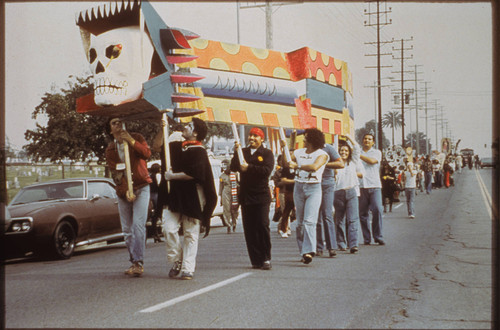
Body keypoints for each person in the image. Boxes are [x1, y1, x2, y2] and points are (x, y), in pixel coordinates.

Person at [161, 118, 217, 280]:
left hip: (193, 196)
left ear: (195, 133)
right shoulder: (178, 147)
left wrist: (172, 176)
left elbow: (194, 174)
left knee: (190, 233)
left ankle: (187, 268)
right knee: (168, 228)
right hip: (176, 196)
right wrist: (162, 127)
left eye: (189, 126)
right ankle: (177, 259)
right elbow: (158, 147)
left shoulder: (199, 151)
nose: (184, 127)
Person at [105, 117, 152, 277]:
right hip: (124, 191)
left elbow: (146, 154)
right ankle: (133, 260)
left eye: (120, 121)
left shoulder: (137, 137)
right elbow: (116, 173)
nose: (118, 124)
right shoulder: (111, 150)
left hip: (142, 187)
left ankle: (139, 262)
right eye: (114, 123)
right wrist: (126, 190)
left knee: (138, 225)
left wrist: (131, 141)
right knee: (127, 230)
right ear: (111, 130)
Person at [230, 127, 274, 270]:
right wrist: (236, 153)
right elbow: (234, 167)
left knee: (262, 225)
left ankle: (266, 257)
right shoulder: (242, 152)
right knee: (249, 229)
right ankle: (256, 260)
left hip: (261, 196)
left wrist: (248, 167)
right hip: (246, 196)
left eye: (256, 136)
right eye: (250, 135)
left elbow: (266, 171)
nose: (252, 138)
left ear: (262, 139)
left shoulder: (267, 153)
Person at [285, 128, 329, 264]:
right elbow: (286, 163)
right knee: (299, 223)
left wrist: (297, 166)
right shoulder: (298, 152)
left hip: (314, 188)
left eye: (306, 137)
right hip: (299, 187)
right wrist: (286, 147)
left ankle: (309, 251)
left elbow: (315, 167)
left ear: (312, 140)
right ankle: (302, 251)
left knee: (309, 221)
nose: (303, 139)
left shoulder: (322, 154)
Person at [334, 135, 364, 254]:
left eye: (346, 150)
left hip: (351, 192)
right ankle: (341, 243)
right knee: (339, 220)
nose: (344, 152)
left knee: (352, 219)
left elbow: (357, 148)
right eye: (341, 150)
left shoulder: (353, 161)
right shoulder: (335, 163)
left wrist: (348, 137)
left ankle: (353, 244)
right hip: (338, 193)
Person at [316, 141, 344, 257]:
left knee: (327, 214)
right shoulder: (307, 149)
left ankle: (331, 247)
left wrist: (323, 164)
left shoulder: (328, 148)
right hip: (313, 183)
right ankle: (318, 247)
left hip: (327, 183)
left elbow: (340, 164)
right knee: (315, 217)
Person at [358, 133, 385, 245]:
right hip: (361, 186)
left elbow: (372, 161)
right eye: (365, 138)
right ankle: (367, 238)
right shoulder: (358, 151)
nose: (367, 141)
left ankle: (378, 236)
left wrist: (358, 155)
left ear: (373, 142)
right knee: (363, 214)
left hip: (374, 185)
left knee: (377, 210)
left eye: (369, 139)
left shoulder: (377, 152)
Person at [272, 154, 295, 238]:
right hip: (282, 192)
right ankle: (286, 228)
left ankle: (281, 226)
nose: (282, 162)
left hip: (292, 191)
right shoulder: (278, 172)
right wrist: (284, 182)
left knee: (290, 211)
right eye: (281, 160)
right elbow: (277, 183)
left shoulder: (293, 169)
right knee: (285, 210)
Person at [219, 159, 239, 233]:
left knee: (234, 209)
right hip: (225, 192)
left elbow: (239, 184)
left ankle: (234, 223)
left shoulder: (235, 174)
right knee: (226, 209)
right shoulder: (221, 176)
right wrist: (221, 198)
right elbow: (221, 188)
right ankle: (228, 225)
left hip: (234, 192)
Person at [149, 163, 163, 242]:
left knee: (154, 217)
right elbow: (159, 185)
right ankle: (158, 233)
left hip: (150, 195)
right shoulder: (158, 175)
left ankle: (155, 234)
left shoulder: (150, 176)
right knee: (158, 214)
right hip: (156, 195)